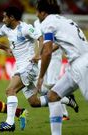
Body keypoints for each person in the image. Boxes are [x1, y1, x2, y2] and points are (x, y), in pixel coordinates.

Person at [0, 6, 78, 132]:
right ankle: (66, 99)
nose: (3, 19)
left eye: (5, 17)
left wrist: (38, 54)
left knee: (10, 90)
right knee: (34, 102)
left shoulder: (25, 28)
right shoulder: (6, 28)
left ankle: (9, 123)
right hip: (20, 66)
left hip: (29, 66)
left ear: (12, 18)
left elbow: (41, 38)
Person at [35, 0, 88, 134]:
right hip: (77, 64)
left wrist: (40, 77)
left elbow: (46, 51)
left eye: (37, 12)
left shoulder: (47, 22)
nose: (36, 15)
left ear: (43, 12)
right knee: (53, 96)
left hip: (82, 64)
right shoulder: (65, 20)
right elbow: (61, 43)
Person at [34, 19, 79, 121]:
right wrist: (39, 54)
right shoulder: (36, 23)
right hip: (42, 58)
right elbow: (39, 40)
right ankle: (67, 98)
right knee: (42, 89)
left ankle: (64, 114)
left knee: (52, 85)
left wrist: (46, 52)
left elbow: (58, 43)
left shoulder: (54, 22)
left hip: (54, 57)